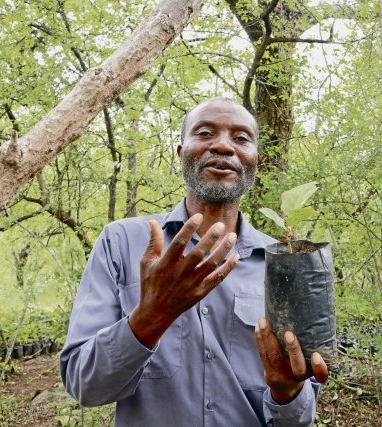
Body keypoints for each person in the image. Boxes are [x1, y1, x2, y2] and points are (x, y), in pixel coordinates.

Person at [60, 97, 328, 426]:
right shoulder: (121, 242)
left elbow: (299, 417)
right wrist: (150, 317)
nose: (223, 146)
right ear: (180, 153)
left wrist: (287, 393)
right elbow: (84, 386)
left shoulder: (286, 264)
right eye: (204, 133)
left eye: (241, 138)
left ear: (254, 160)